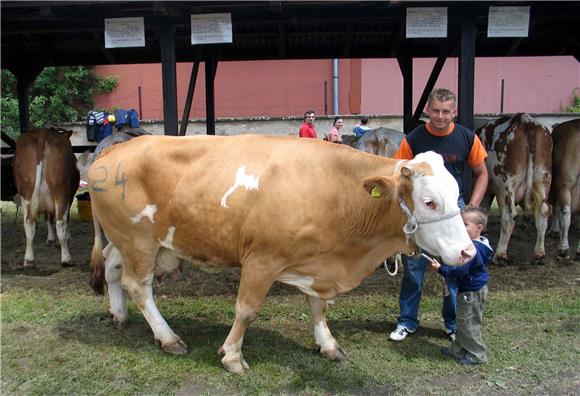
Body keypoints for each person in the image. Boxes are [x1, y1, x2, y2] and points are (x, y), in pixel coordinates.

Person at [389, 87, 489, 342]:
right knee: (414, 268)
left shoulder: (467, 137)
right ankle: (407, 321)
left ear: (454, 112)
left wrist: (471, 207)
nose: (441, 116)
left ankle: (453, 323)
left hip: (454, 209)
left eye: (446, 111)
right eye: (435, 111)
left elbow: (482, 174)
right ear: (427, 111)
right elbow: (398, 176)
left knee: (456, 265)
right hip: (423, 210)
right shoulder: (413, 139)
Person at [429, 207, 493, 365]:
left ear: (479, 228)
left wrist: (441, 269)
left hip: (471, 293)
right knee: (462, 321)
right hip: (470, 290)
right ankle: (457, 350)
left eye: (465, 224)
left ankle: (477, 355)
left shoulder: (474, 250)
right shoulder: (479, 245)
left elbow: (460, 270)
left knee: (468, 323)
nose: (460, 228)